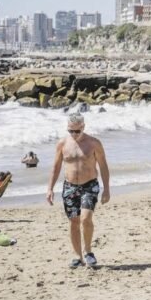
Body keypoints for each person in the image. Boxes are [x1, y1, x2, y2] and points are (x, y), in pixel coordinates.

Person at [47, 113, 110, 268]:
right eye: (71, 131)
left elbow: (103, 166)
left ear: (83, 127)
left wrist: (106, 189)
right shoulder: (62, 144)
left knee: (85, 218)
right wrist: (50, 188)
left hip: (89, 185)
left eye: (77, 131)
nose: (74, 134)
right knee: (74, 222)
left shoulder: (94, 143)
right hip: (70, 187)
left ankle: (88, 252)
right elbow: (56, 167)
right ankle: (77, 256)